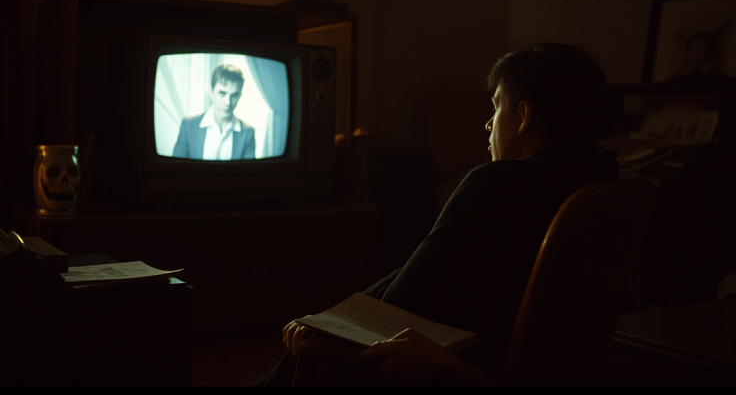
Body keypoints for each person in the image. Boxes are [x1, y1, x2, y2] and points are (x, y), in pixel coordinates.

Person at [257, 43, 619, 386]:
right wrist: (334, 315)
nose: (489, 124)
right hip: (538, 363)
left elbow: (404, 300)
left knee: (307, 353)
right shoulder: (601, 181)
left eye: (496, 108)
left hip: (465, 361)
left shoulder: (498, 183)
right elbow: (421, 272)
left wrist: (328, 324)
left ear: (523, 116)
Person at [172, 64, 255, 160]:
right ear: (211, 92)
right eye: (222, 93)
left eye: (234, 95)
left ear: (239, 96)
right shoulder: (188, 126)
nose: (228, 102)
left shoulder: (248, 132)